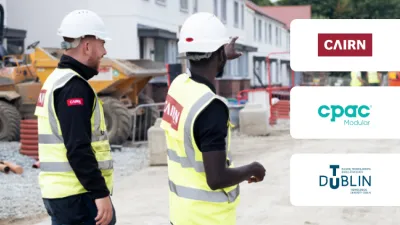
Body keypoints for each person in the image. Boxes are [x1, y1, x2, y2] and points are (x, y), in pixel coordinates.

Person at [160, 12, 266, 225]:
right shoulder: (211, 108)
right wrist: (252, 169)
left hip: (180, 213)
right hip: (207, 219)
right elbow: (216, 178)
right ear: (218, 55)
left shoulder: (178, 87)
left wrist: (220, 53)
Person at [34, 9, 116, 225]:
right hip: (78, 196)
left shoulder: (56, 80)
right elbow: (78, 148)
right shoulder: (73, 88)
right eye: (101, 44)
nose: (104, 51)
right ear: (87, 46)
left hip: (63, 195)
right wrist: (100, 194)